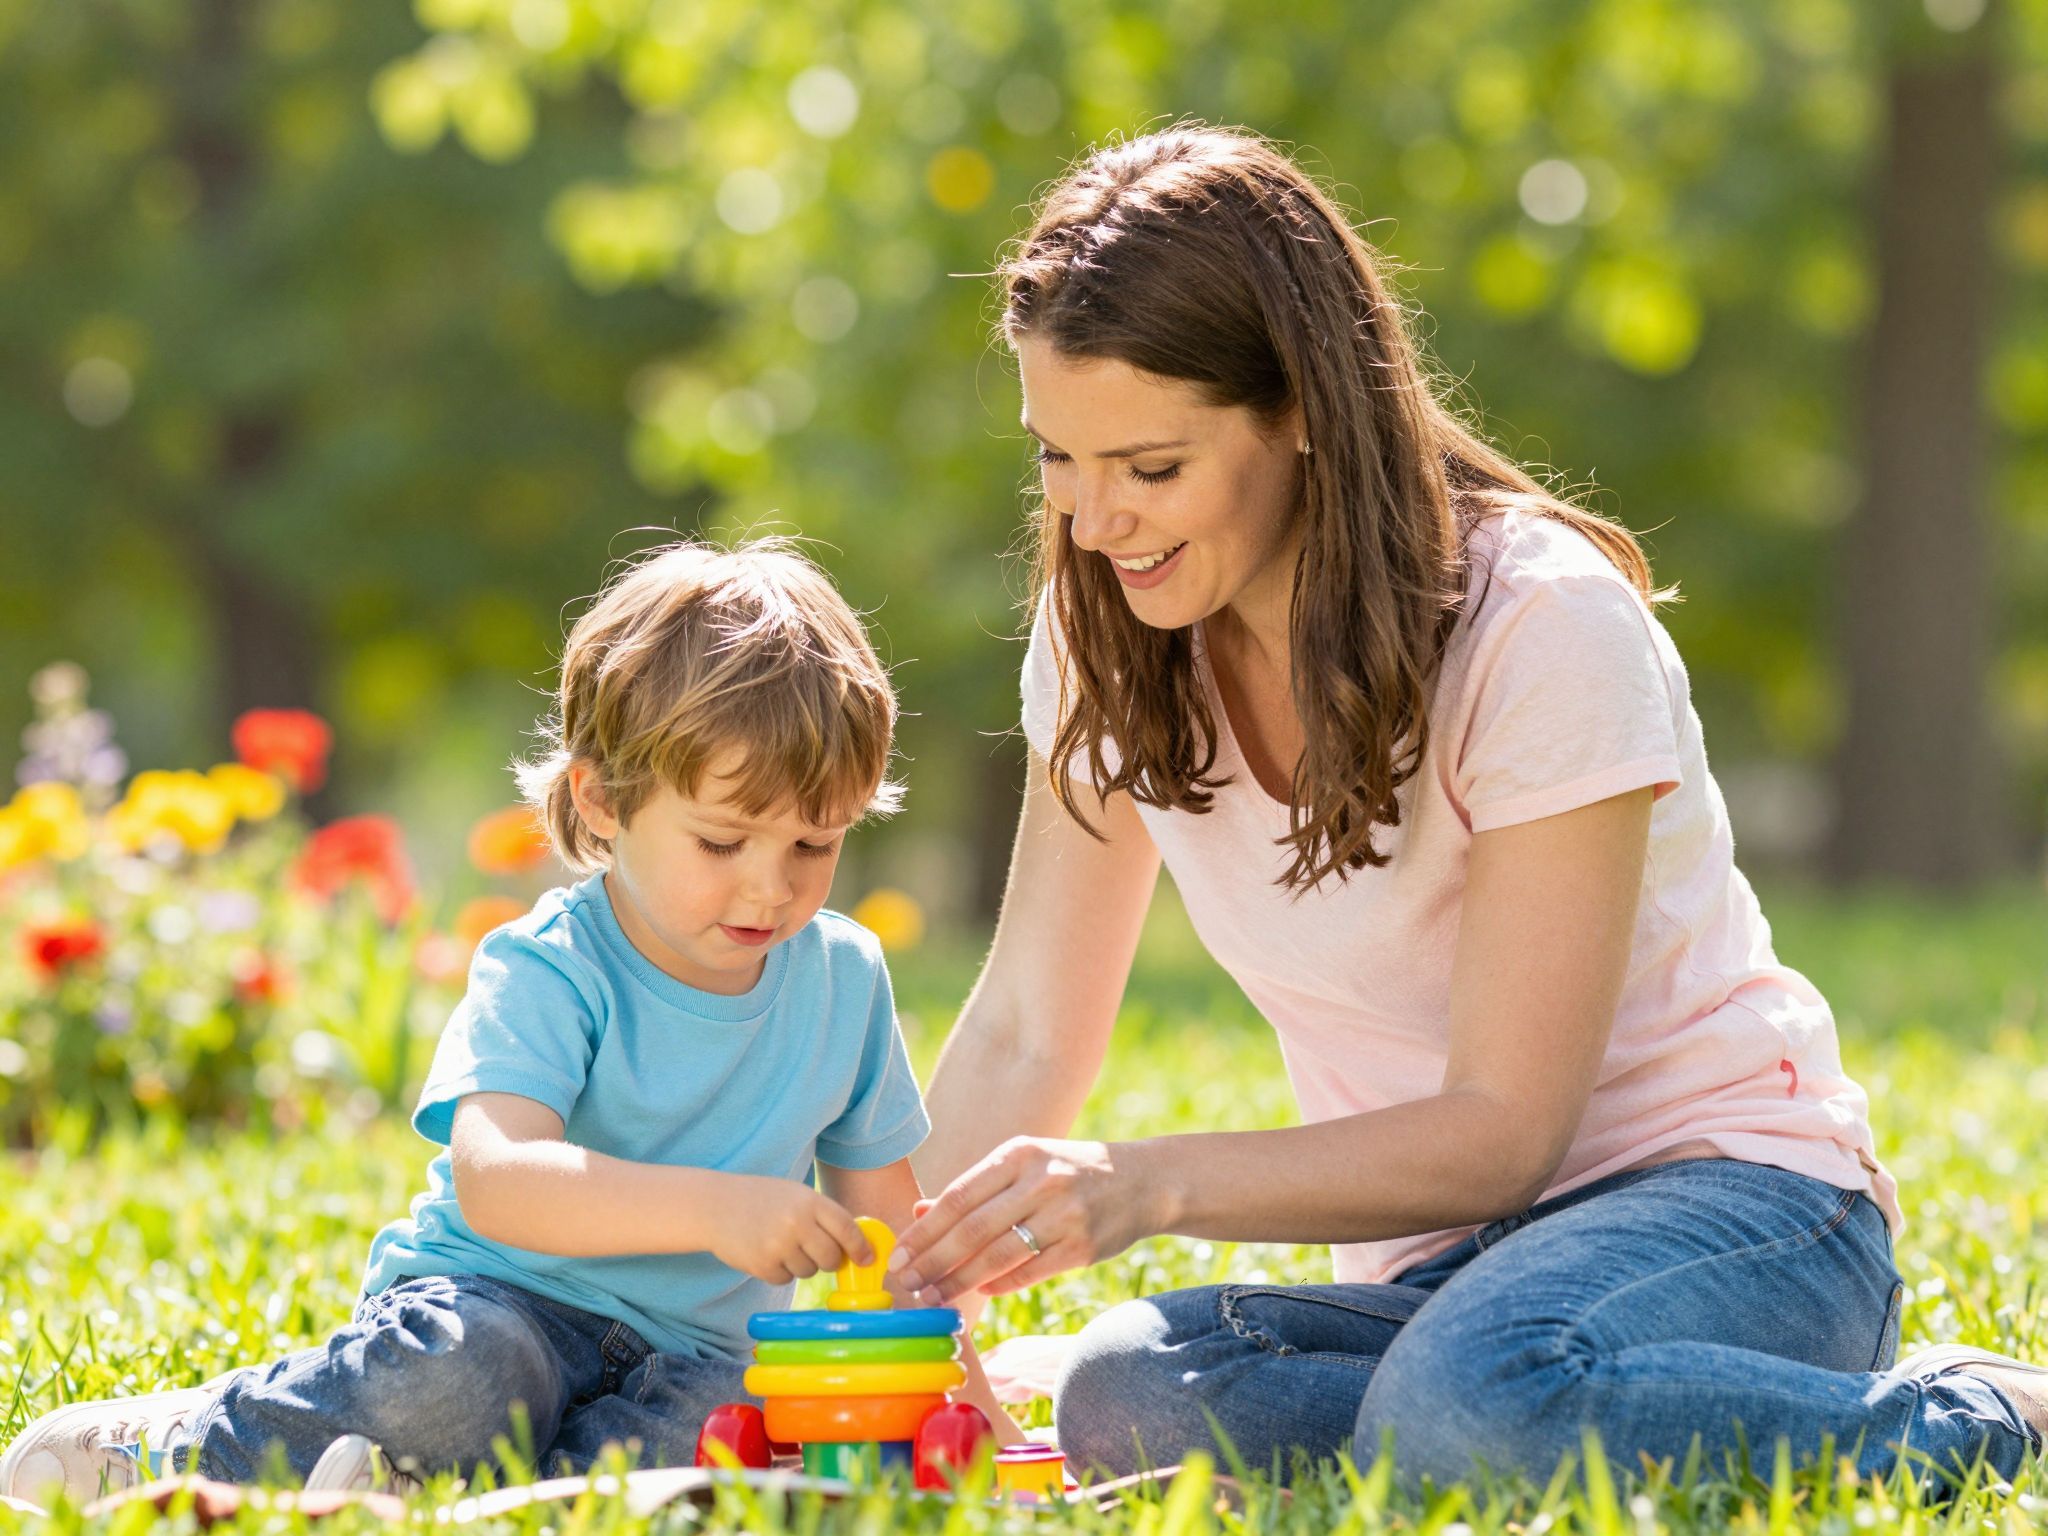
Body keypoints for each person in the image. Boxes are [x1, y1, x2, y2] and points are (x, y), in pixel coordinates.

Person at [890, 124, 2048, 1492]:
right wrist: (891, 1310)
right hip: (1443, 1275)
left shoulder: (1539, 624)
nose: (1094, 525)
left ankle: (1978, 1412)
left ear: (1304, 409)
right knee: (1124, 1394)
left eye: (1150, 470)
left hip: (1738, 1209)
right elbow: (1026, 1024)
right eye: (1057, 461)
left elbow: (1507, 1128)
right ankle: (1516, 1403)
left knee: (1468, 1408)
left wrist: (1147, 1182)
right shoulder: (1111, 631)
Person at [0, 540, 1018, 1505]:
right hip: (501, 1306)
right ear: (603, 802)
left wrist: (982, 1427)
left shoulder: (842, 977)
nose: (771, 886)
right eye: (721, 841)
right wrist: (716, 1211)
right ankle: (185, 1444)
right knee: (462, 1381)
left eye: (813, 843)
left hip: (691, 1357)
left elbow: (899, 1249)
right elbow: (498, 1178)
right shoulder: (552, 963)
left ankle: (445, 1494)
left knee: (722, 1445)